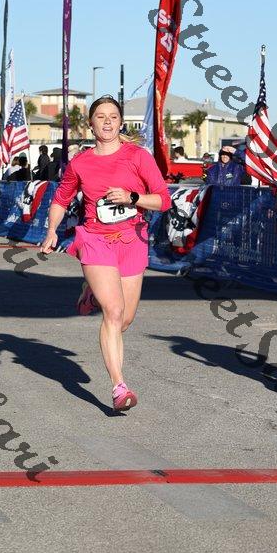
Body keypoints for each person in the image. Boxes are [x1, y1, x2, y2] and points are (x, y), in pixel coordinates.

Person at [40, 95, 171, 412]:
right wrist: (52, 230)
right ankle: (119, 386)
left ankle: (91, 290)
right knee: (112, 312)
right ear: (91, 124)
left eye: (113, 116)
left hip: (132, 240)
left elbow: (163, 200)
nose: (108, 121)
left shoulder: (138, 156)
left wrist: (132, 197)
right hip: (95, 239)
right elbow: (61, 199)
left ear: (121, 123)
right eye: (101, 116)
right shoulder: (81, 162)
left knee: (124, 320)